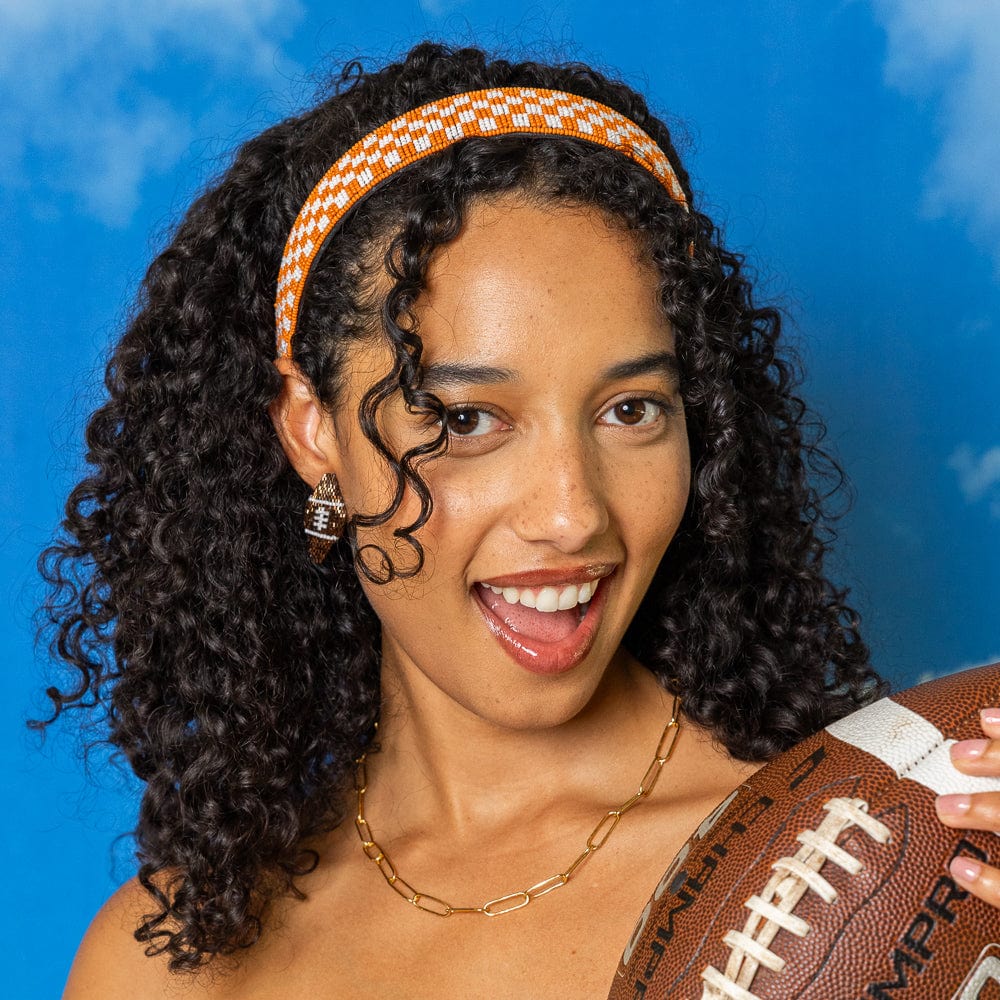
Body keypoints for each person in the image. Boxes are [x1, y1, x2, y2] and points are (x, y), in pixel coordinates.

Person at [40, 42, 999, 998]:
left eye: (632, 411)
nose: (572, 514)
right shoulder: (168, 964)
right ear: (311, 431)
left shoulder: (878, 881)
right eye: (464, 420)